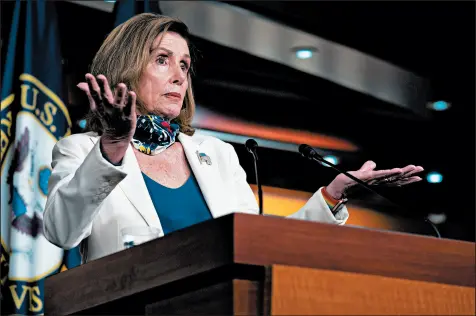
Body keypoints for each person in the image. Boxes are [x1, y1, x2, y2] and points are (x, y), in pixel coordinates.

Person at [43, 13, 423, 263]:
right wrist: (111, 147)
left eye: (185, 65)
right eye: (162, 59)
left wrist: (332, 194)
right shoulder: (82, 150)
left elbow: (259, 246)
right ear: (125, 66)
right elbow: (61, 232)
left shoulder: (218, 155)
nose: (179, 75)